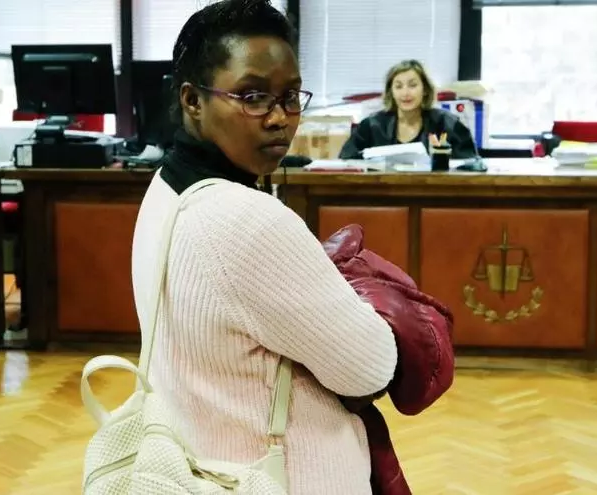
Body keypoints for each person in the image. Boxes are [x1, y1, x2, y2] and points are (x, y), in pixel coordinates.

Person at [130, 1, 398, 494]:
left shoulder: (165, 187)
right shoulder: (248, 220)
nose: (279, 118)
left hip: (203, 459)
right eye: (253, 96)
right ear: (192, 100)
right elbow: (371, 368)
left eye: (290, 96)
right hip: (280, 476)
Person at [339, 59, 478, 160]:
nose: (405, 93)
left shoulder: (448, 123)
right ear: (391, 92)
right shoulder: (371, 125)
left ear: (425, 89)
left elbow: (471, 165)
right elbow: (346, 161)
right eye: (398, 86)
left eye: (412, 85)